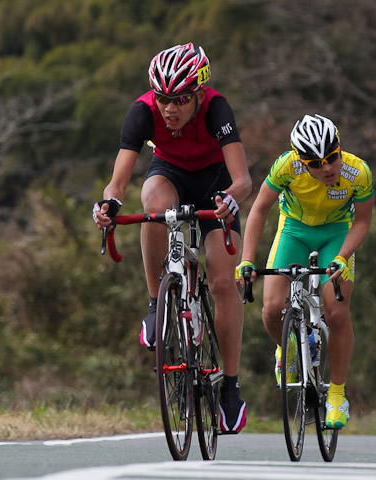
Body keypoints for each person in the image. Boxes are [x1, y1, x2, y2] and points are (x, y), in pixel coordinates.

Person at [93, 43, 252, 433]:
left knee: (220, 280)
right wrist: (107, 205)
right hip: (170, 172)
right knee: (153, 206)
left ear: (198, 93)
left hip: (215, 183)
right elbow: (118, 182)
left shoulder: (217, 109)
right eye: (164, 98)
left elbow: (243, 180)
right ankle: (156, 304)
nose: (170, 108)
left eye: (180, 99)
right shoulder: (142, 112)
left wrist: (230, 202)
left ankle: (230, 389)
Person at [235, 114, 374, 429]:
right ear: (300, 160)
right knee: (271, 309)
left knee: (337, 312)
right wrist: (246, 259)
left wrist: (342, 257)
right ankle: (290, 347)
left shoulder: (358, 172)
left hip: (336, 233)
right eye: (314, 163)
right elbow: (259, 209)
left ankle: (337, 394)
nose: (326, 168)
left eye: (331, 158)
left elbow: (363, 221)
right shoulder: (286, 167)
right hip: (294, 231)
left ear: (340, 149)